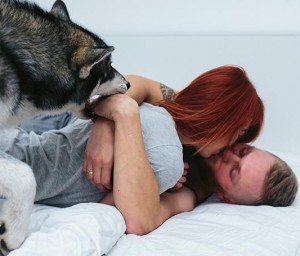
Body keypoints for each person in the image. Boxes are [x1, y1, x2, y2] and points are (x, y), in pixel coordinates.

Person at [8, 65, 295, 238]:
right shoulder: (186, 115)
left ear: (226, 198)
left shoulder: (189, 188)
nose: (230, 152)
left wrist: (123, 118)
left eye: (234, 171)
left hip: (53, 143)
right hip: (69, 117)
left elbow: (138, 217)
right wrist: (104, 127)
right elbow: (139, 85)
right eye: (242, 150)